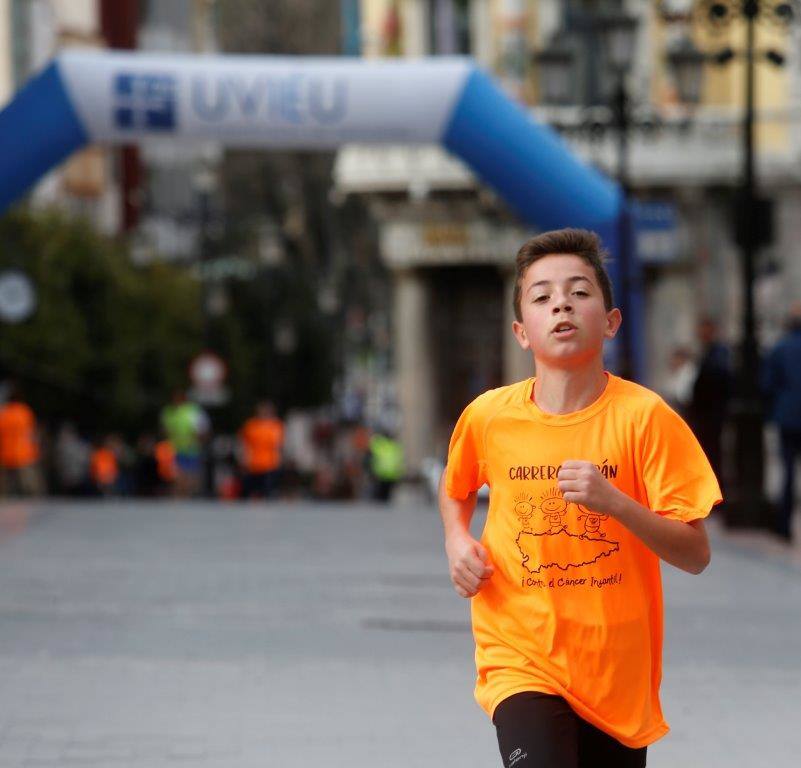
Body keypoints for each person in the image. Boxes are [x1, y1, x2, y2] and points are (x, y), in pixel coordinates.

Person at [439, 229, 720, 768]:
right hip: (520, 656)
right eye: (542, 297)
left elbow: (696, 553)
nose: (561, 304)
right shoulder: (489, 416)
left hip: (615, 673)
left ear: (611, 322)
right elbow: (456, 488)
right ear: (522, 332)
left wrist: (616, 503)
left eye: (579, 292)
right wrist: (456, 540)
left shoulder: (646, 419)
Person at [761, 302, 801, 542]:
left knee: (787, 472)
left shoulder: (780, 348)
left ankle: (784, 525)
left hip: (787, 416)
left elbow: (767, 384)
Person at [687, 317, 732, 488]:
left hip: (712, 413)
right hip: (707, 413)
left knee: (713, 454)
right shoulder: (709, 352)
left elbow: (717, 380)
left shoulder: (718, 353)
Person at [160, 390, 209, 497]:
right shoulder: (168, 411)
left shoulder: (192, 411)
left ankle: (189, 494)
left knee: (191, 475)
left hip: (191, 447)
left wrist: (199, 442)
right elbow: (164, 429)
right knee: (177, 474)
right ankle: (180, 494)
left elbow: (202, 429)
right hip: (174, 448)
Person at [0, 384, 43, 497]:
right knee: (30, 487)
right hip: (24, 454)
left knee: (5, 489)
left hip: (6, 454)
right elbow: (32, 433)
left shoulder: (4, 413)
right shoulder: (25, 412)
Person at [239, 401, 284, 499]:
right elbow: (244, 444)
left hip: (269, 465)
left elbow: (278, 446)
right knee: (250, 492)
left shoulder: (275, 425)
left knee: (267, 493)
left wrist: (279, 460)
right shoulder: (251, 425)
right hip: (253, 465)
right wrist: (243, 459)